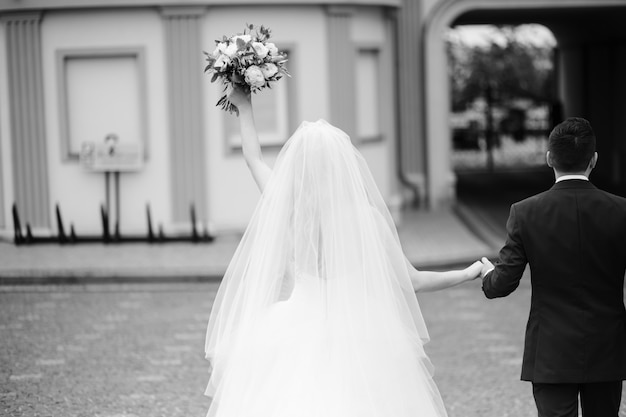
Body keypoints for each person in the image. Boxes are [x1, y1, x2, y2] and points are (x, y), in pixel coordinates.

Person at [204, 85, 483, 417]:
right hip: (359, 337)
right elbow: (415, 282)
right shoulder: (367, 220)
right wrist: (468, 273)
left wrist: (244, 106)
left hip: (294, 330)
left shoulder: (287, 208)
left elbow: (253, 160)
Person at [480, 117, 626, 417]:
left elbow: (502, 284)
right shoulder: (621, 211)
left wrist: (486, 276)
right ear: (594, 160)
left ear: (549, 158)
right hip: (607, 347)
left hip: (551, 351)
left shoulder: (525, 212)